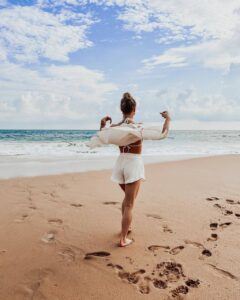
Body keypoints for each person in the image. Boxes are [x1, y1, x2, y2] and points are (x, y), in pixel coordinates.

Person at [100, 92, 171, 247]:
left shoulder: (115, 128)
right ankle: (123, 239)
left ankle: (127, 226)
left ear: (121, 109)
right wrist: (168, 119)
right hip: (133, 165)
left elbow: (102, 137)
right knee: (130, 204)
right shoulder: (138, 128)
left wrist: (102, 124)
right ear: (135, 109)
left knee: (127, 200)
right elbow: (162, 134)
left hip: (120, 164)